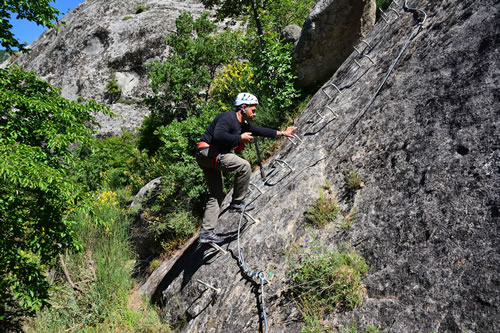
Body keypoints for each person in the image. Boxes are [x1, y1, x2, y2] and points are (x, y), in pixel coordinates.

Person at [196, 93, 297, 243]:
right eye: (253, 110)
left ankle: (206, 232)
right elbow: (218, 136)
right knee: (244, 166)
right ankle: (237, 202)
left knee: (216, 195)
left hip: (206, 157)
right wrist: (240, 138)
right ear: (243, 108)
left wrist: (283, 133)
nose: (255, 114)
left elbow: (260, 131)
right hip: (207, 152)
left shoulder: (243, 124)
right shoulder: (227, 118)